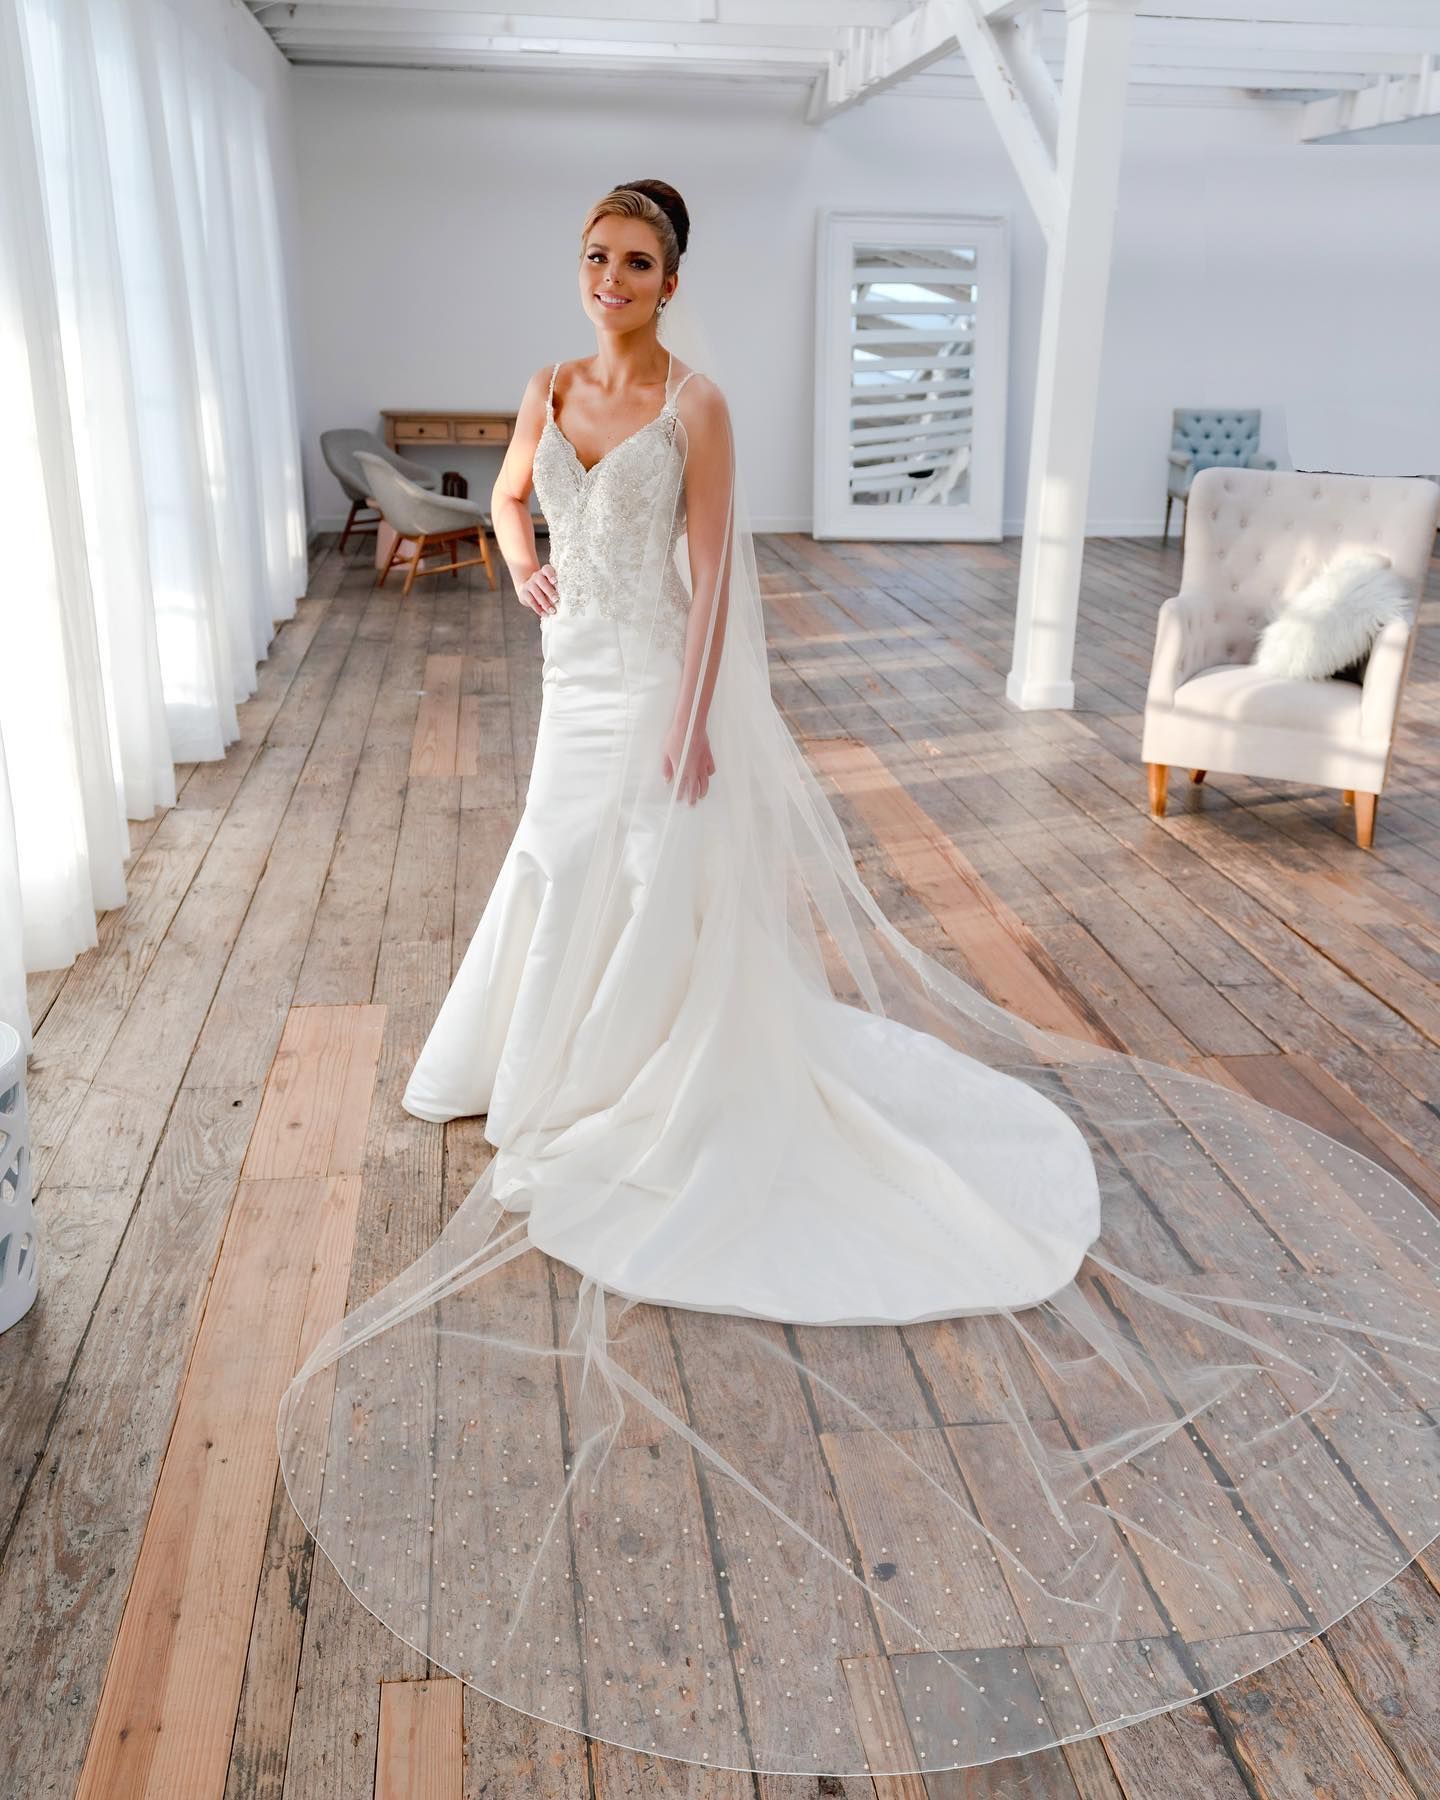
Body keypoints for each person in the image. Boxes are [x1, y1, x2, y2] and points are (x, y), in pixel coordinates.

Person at [279, 181, 1440, 1779]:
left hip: (651, 685)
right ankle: (530, 1056)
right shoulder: (550, 391)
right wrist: (521, 549)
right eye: (593, 258)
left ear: (673, 279)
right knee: (555, 867)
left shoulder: (699, 403)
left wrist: (696, 720)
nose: (610, 279)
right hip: (568, 676)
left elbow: (714, 583)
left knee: (641, 876)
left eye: (635, 261)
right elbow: (507, 497)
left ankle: (626, 1068)